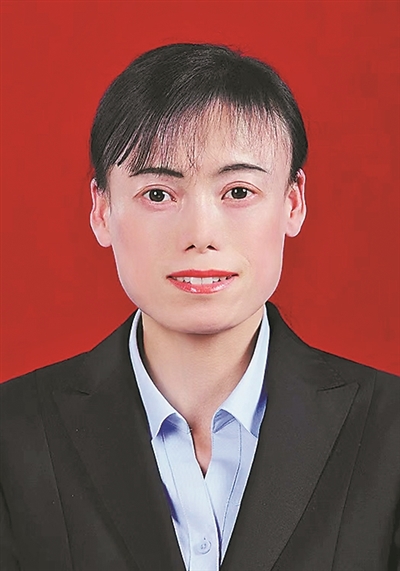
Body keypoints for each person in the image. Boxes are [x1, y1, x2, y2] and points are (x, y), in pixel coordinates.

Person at [1, 43, 399, 571]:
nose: (201, 235)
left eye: (238, 191)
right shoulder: (14, 433)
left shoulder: (388, 428)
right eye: (158, 195)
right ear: (101, 209)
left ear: (293, 201)